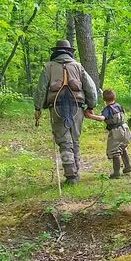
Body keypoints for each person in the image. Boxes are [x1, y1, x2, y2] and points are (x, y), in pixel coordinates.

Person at [33, 40, 98, 185]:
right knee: (74, 139)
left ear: (55, 51)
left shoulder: (48, 67)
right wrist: (91, 105)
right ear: (70, 52)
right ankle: (75, 171)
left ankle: (71, 175)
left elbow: (41, 89)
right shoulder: (78, 66)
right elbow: (91, 88)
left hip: (56, 107)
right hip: (77, 106)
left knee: (64, 141)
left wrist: (38, 107)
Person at [85, 89, 131, 179]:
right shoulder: (118, 105)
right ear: (115, 97)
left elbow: (102, 118)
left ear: (104, 99)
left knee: (115, 151)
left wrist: (90, 116)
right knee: (123, 147)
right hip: (125, 128)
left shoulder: (107, 109)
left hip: (116, 131)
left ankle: (116, 173)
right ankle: (128, 166)